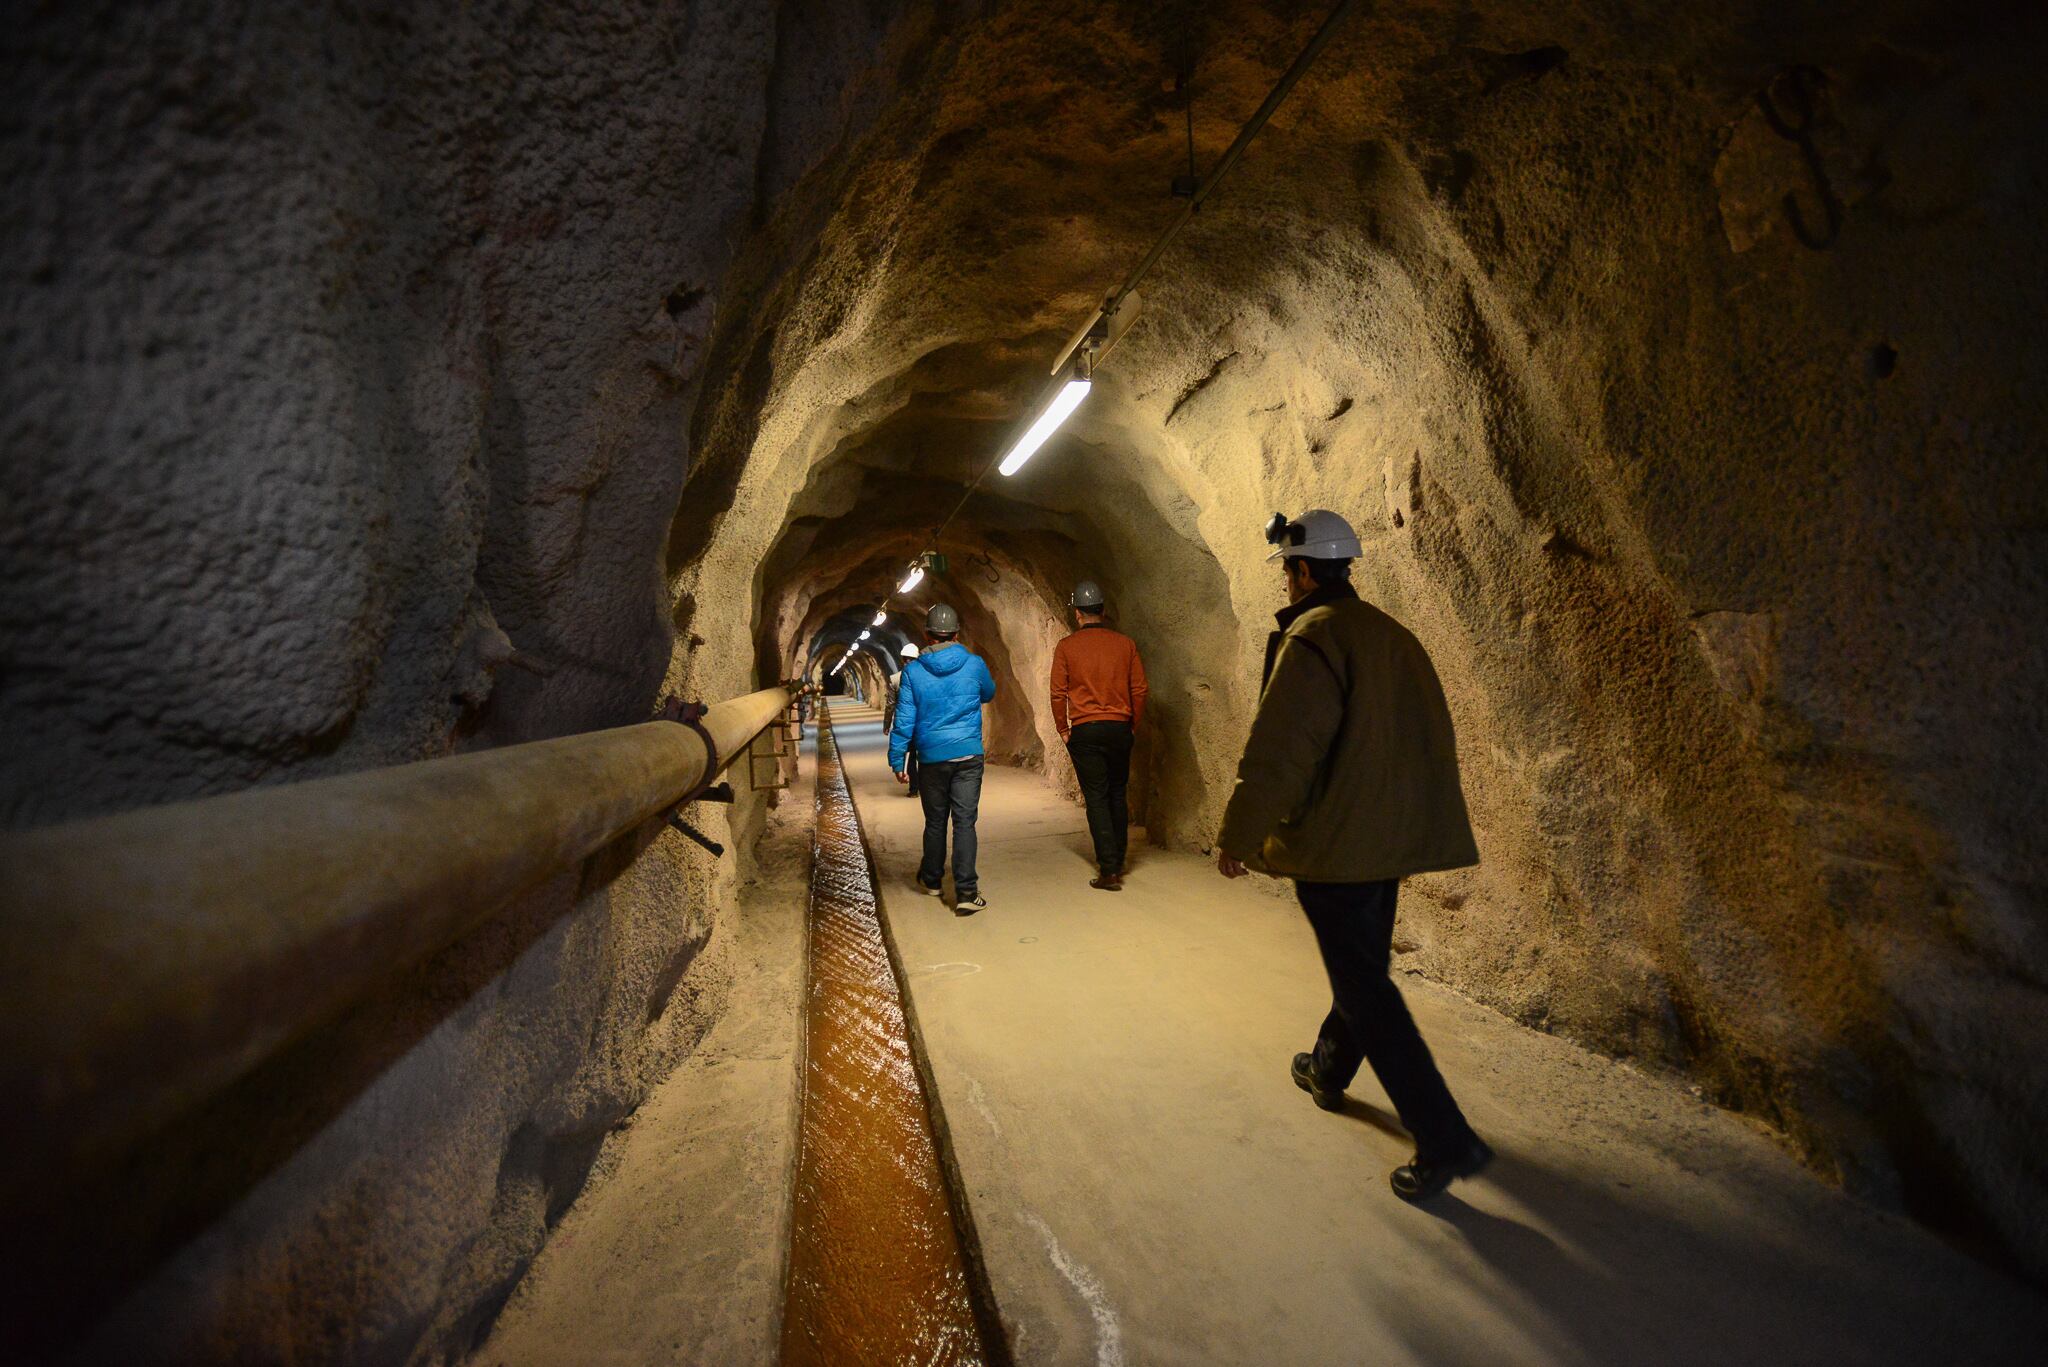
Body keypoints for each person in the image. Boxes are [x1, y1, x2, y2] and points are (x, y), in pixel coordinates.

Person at [1215, 509, 1490, 1202]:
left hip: (1338, 843)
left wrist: (1238, 835)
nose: (1286, 579)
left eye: (1287, 568)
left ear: (1305, 571)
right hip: (1384, 836)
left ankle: (1443, 1135)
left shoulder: (1315, 637)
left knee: (1366, 986)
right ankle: (1328, 1068)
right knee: (1362, 966)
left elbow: (1280, 750)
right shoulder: (1392, 635)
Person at [890, 604, 996, 912]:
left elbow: (904, 719)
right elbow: (988, 693)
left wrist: (898, 759)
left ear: (927, 634)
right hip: (967, 754)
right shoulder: (974, 664)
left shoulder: (912, 672)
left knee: (935, 821)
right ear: (956, 633)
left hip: (932, 757)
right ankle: (966, 893)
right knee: (965, 823)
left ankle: (933, 881)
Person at [1049, 579, 1148, 891]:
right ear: (1103, 611)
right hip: (1119, 727)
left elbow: (1057, 693)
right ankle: (1118, 860)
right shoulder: (1125, 644)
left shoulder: (1066, 647)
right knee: (1118, 793)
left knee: (1096, 797)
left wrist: (1063, 729)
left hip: (1086, 729)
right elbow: (1140, 690)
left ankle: (1109, 870)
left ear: (1078, 613)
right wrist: (1132, 724)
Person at [886, 642, 922, 796]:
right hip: (923, 723)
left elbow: (890, 705)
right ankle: (924, 787)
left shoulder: (895, 679)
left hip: (906, 722)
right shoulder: (926, 677)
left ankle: (914, 789)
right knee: (922, 755)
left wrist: (886, 724)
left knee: (911, 754)